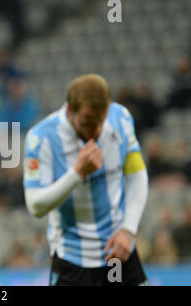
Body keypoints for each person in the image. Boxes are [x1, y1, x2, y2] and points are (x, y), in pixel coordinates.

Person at [23, 74, 149, 286]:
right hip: (72, 262)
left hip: (117, 255)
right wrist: (77, 173)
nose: (97, 130)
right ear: (70, 111)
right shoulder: (41, 138)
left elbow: (137, 175)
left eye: (101, 120)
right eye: (89, 122)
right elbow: (36, 206)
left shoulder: (121, 118)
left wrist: (128, 230)